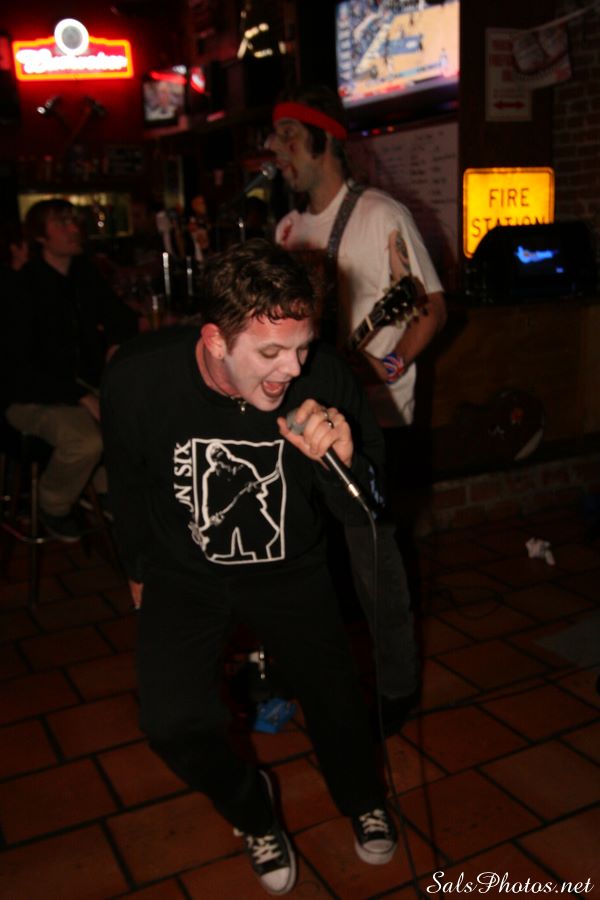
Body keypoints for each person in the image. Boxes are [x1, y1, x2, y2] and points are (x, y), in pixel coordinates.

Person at [100, 239, 398, 895]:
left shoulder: (325, 378)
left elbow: (371, 510)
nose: (292, 369)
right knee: (170, 723)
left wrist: (344, 464)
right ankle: (252, 808)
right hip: (184, 571)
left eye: (302, 347)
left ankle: (362, 797)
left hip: (293, 568)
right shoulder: (139, 377)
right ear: (214, 339)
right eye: (269, 354)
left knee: (337, 699)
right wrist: (138, 567)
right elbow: (127, 479)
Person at [267, 83, 447, 733]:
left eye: (288, 136)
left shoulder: (378, 214)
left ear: (323, 140)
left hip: (376, 420)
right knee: (317, 557)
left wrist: (390, 365)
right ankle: (327, 676)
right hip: (306, 420)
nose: (275, 150)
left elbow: (431, 306)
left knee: (375, 562)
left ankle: (394, 689)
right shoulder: (287, 230)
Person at [3, 199, 138, 541]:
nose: (74, 228)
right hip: (29, 397)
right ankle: (52, 505)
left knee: (138, 419)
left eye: (73, 221)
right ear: (40, 237)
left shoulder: (83, 274)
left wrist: (115, 342)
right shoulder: (23, 287)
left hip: (78, 388)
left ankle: (102, 490)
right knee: (86, 442)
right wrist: (79, 396)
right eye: (62, 223)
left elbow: (121, 317)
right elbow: (21, 370)